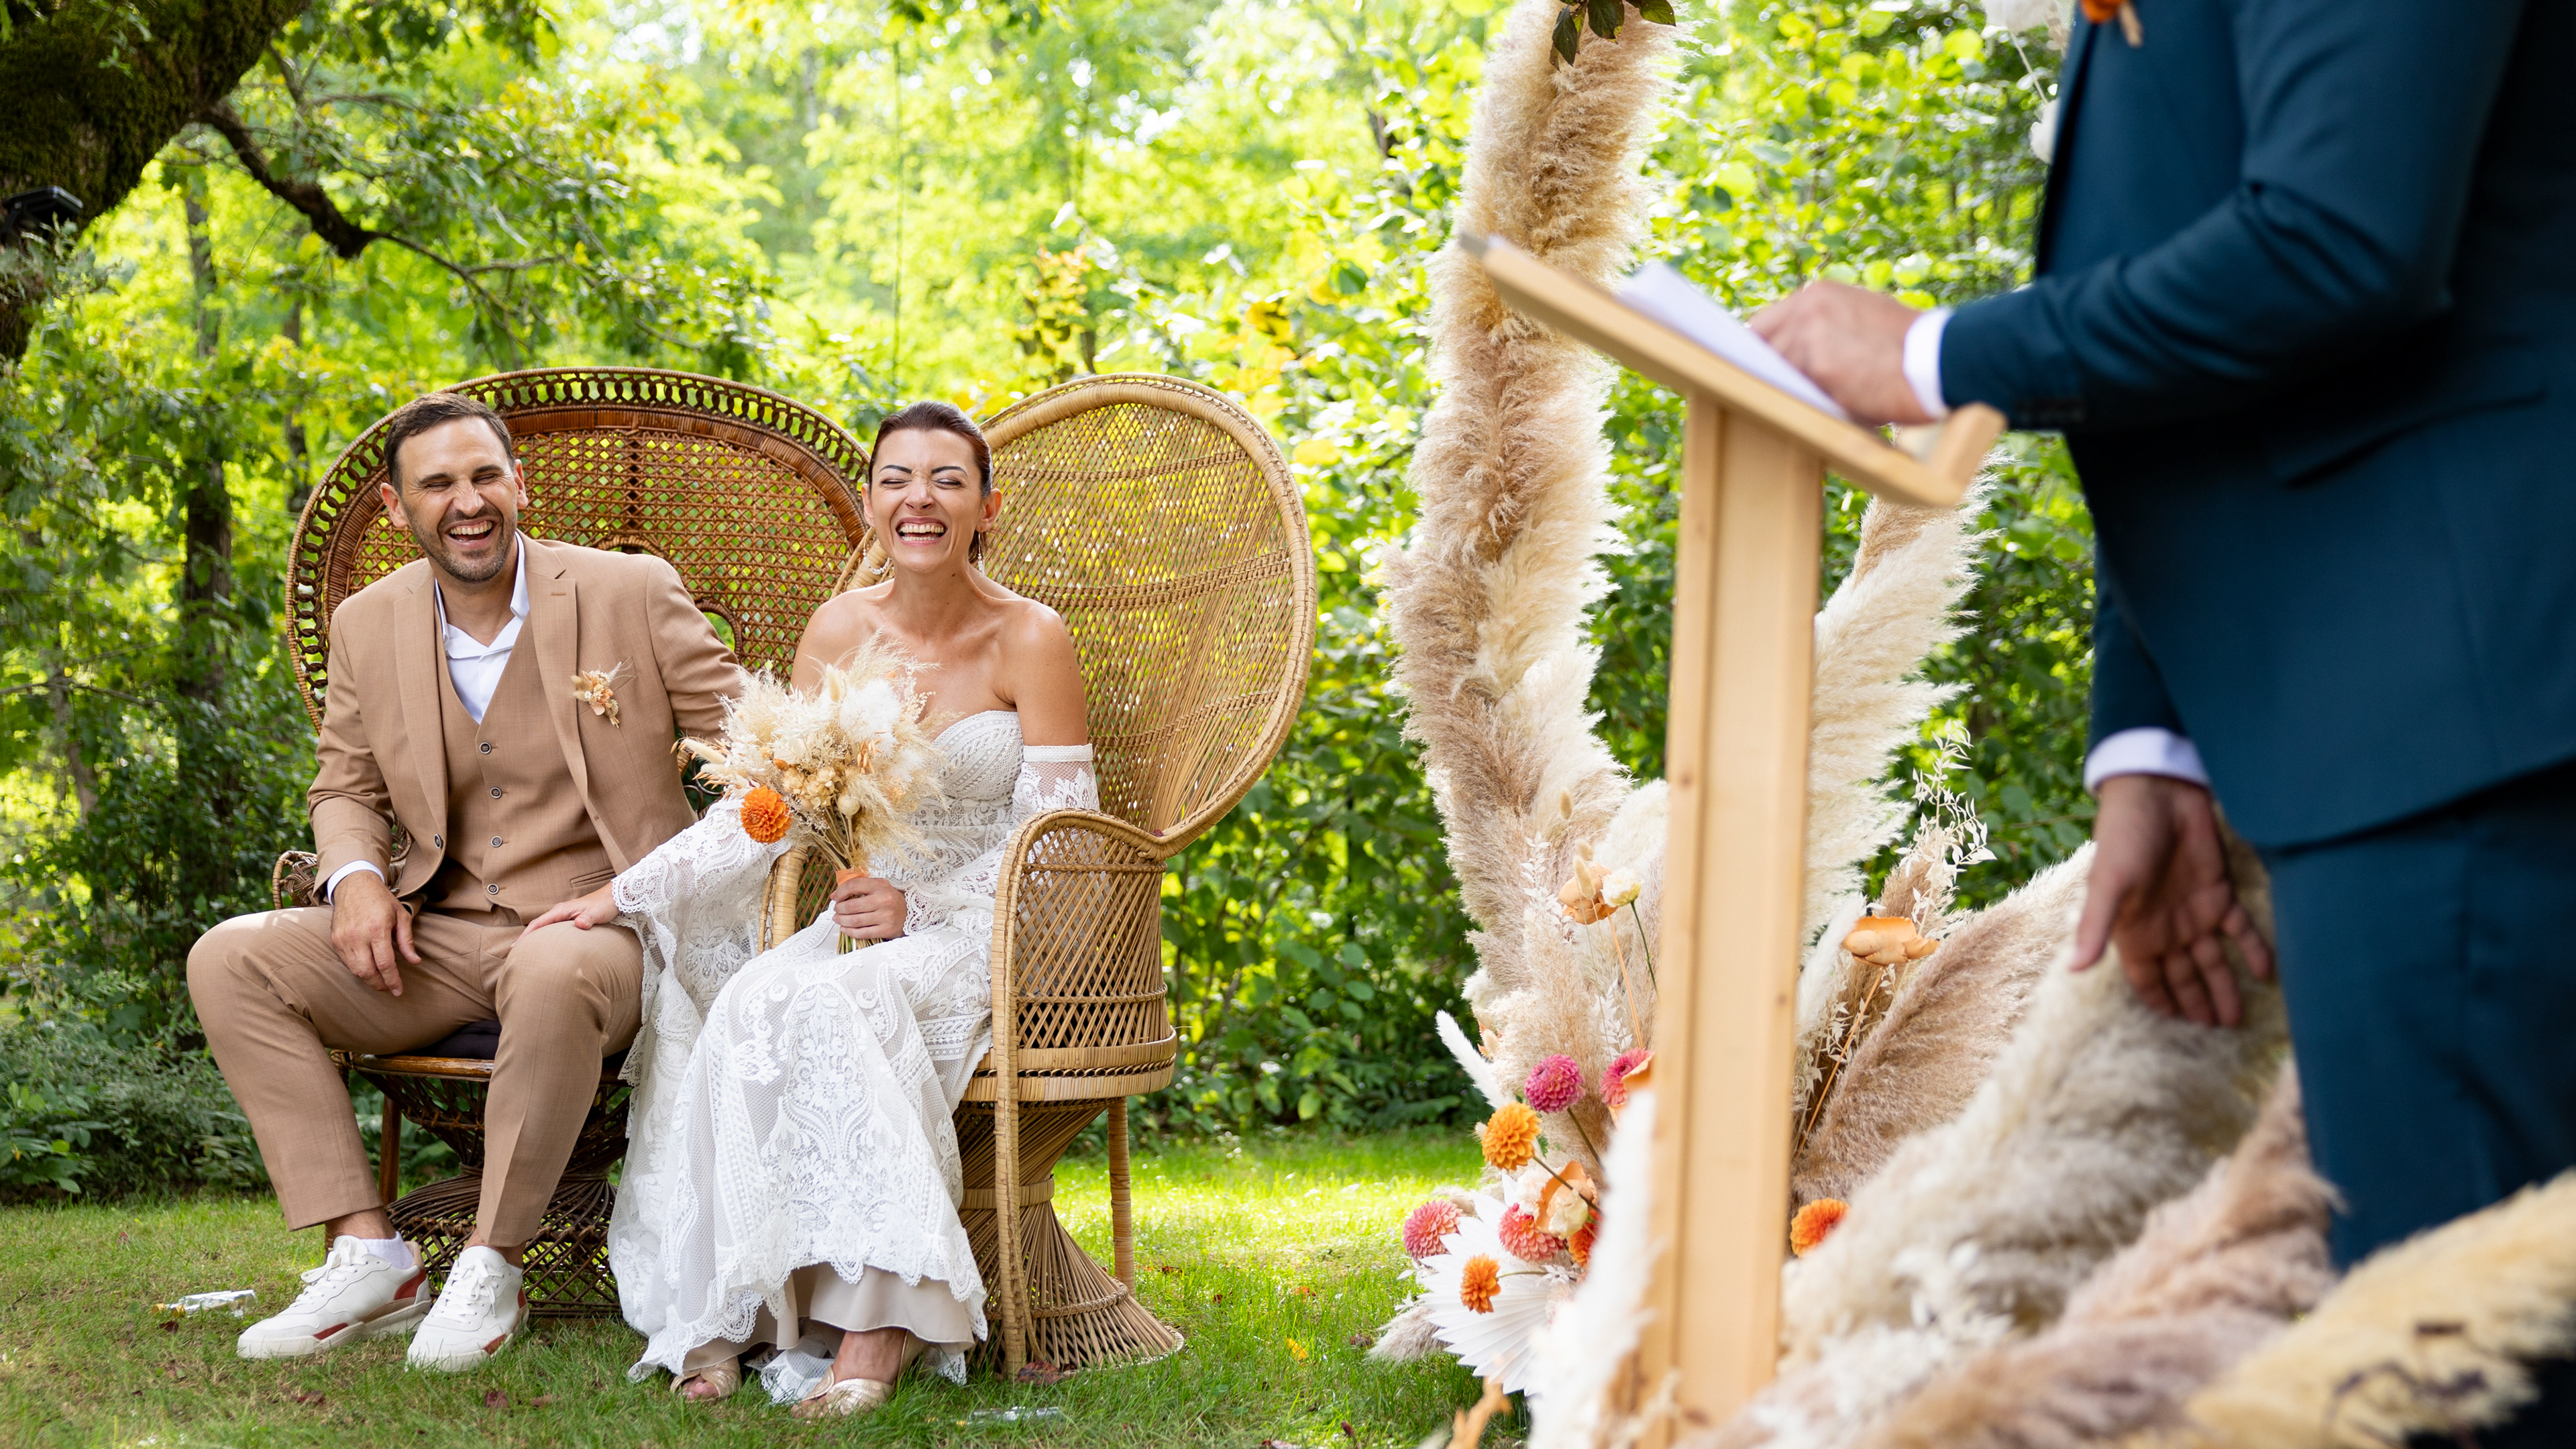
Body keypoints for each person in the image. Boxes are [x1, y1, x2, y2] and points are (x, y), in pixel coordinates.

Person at [1751, 1, 2576, 1440]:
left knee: (2462, 1362)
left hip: (2471, 703)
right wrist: (2155, 742)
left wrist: (1938, 357)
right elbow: (2193, 332)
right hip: (2389, 709)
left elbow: (2337, 239)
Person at [521, 400, 1094, 1417]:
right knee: (753, 1000)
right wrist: (622, 892)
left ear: (987, 506)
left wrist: (921, 906)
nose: (920, 500)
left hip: (986, 925)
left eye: (948, 480)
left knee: (836, 1004)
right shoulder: (839, 630)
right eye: (897, 480)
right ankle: (735, 1313)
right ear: (871, 504)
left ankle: (880, 1331)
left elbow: (1062, 839)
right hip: (863, 916)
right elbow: (771, 806)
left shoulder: (1030, 636)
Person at [186, 391, 742, 1371]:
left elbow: (763, 753)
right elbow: (344, 786)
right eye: (437, 484)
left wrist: (651, 887)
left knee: (550, 970)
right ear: (398, 508)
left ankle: (492, 1264)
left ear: (519, 485)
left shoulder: (628, 590)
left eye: (486, 476)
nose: (468, 502)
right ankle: (370, 1254)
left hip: (601, 933)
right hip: (437, 933)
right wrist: (357, 881)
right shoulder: (366, 624)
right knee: (229, 959)